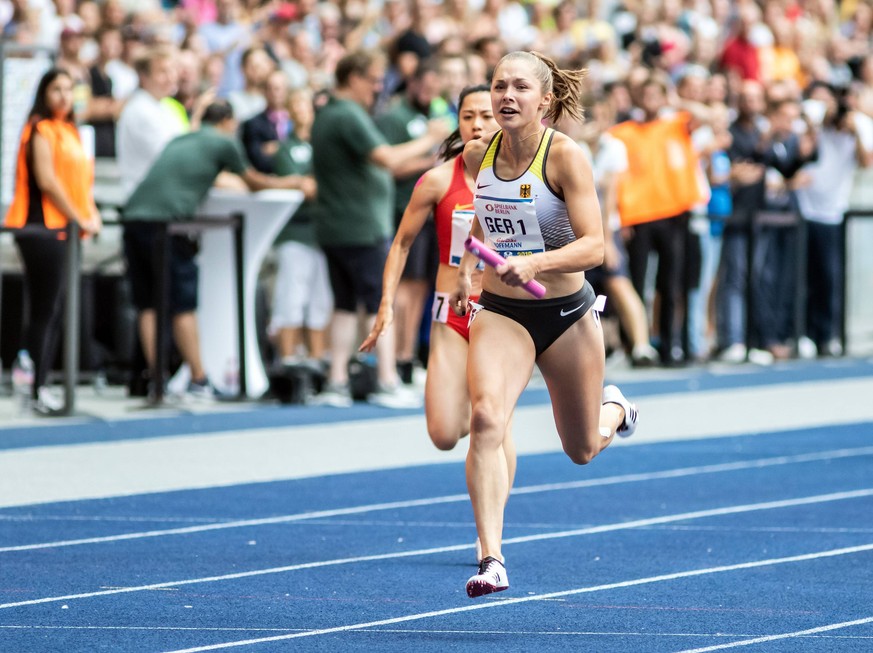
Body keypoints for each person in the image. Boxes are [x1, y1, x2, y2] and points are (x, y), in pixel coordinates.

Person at [449, 51, 638, 598]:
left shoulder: (566, 157)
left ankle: (616, 408)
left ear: (545, 101)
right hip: (503, 311)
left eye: (520, 87)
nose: (506, 96)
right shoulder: (478, 154)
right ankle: (491, 559)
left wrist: (536, 261)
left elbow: (596, 245)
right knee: (485, 419)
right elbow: (481, 216)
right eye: (498, 85)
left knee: (580, 449)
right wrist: (467, 268)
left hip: (565, 313)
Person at [361, 83, 515, 467]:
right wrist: (386, 305)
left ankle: (490, 529)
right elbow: (400, 245)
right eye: (467, 117)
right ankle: (485, 414)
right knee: (444, 434)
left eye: (485, 115)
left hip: (501, 313)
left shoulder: (523, 178)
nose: (477, 125)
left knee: (490, 421)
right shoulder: (437, 180)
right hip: (452, 312)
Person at [121, 100, 315, 400]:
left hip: (134, 217)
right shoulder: (223, 143)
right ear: (227, 121)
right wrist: (294, 182)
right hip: (168, 223)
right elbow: (254, 182)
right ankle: (199, 379)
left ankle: (156, 380)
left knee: (149, 303)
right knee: (182, 302)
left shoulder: (183, 138)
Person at [309, 49, 450, 408]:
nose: (377, 88)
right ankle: (386, 380)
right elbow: (386, 158)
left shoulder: (330, 113)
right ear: (354, 77)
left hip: (337, 226)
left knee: (344, 304)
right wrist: (430, 137)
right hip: (360, 227)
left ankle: (337, 381)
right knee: (378, 300)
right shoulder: (347, 114)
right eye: (373, 80)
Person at [3, 68, 102, 414]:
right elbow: (47, 180)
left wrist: (91, 213)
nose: (62, 95)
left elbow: (80, 183)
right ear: (44, 93)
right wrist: (78, 216)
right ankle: (35, 385)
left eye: (68, 89)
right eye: (56, 89)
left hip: (68, 229)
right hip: (41, 228)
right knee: (45, 307)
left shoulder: (71, 131)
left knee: (57, 307)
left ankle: (40, 380)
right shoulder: (40, 130)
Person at [269, 87, 332, 365]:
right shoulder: (285, 148)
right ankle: (288, 359)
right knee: (290, 298)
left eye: (306, 105)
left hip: (324, 233)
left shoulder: (326, 144)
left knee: (320, 300)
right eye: (296, 105)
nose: (302, 111)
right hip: (296, 232)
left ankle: (317, 360)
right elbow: (303, 187)